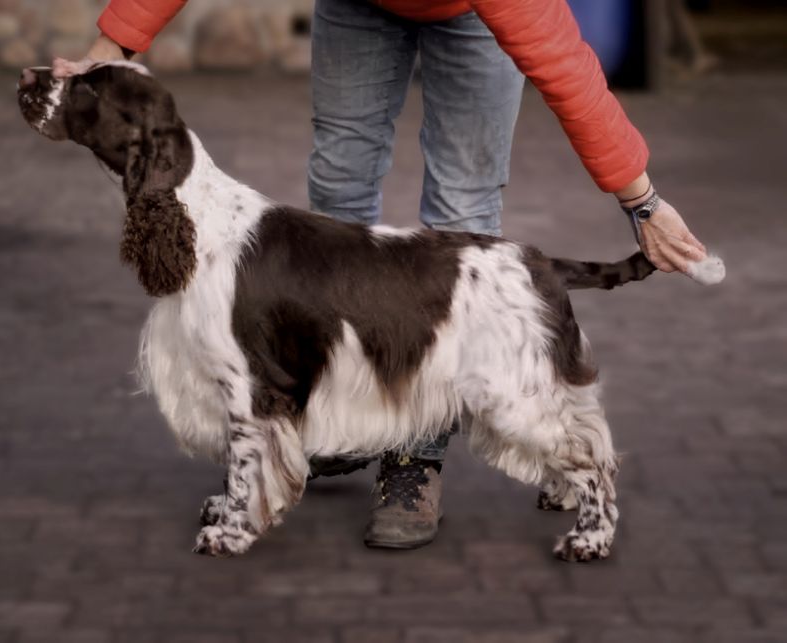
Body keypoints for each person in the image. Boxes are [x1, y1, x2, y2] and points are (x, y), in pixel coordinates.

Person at [53, 0, 709, 550]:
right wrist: (110, 48)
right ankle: (322, 414)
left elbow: (569, 73)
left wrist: (643, 201)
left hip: (475, 19)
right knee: (335, 199)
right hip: (358, 8)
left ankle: (414, 453)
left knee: (462, 212)